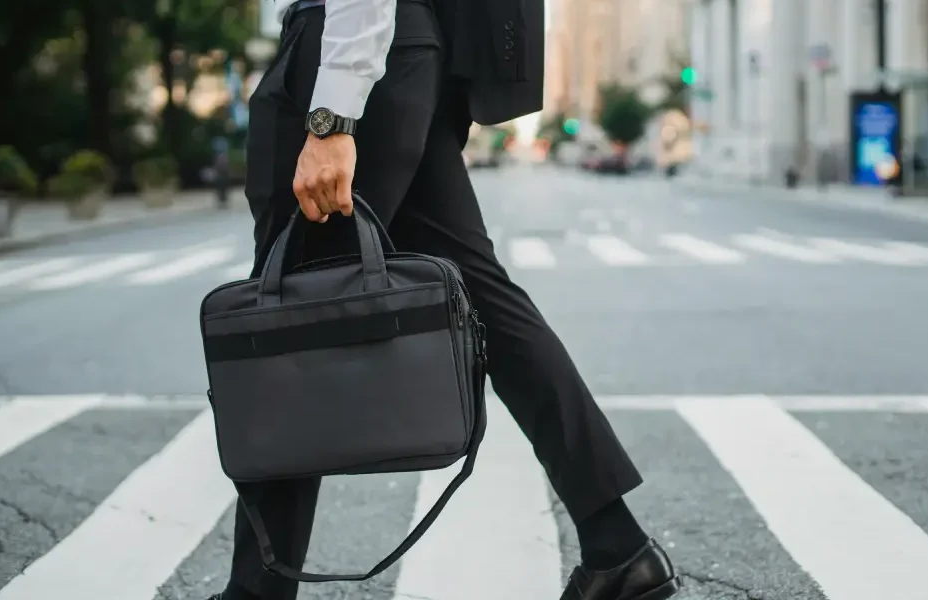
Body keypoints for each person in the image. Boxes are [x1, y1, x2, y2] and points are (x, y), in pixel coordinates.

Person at [213, 1, 680, 599]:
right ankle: (616, 546)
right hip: (396, 47)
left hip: (348, 42)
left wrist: (332, 118)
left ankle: (255, 593)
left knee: (287, 323)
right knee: (480, 294)